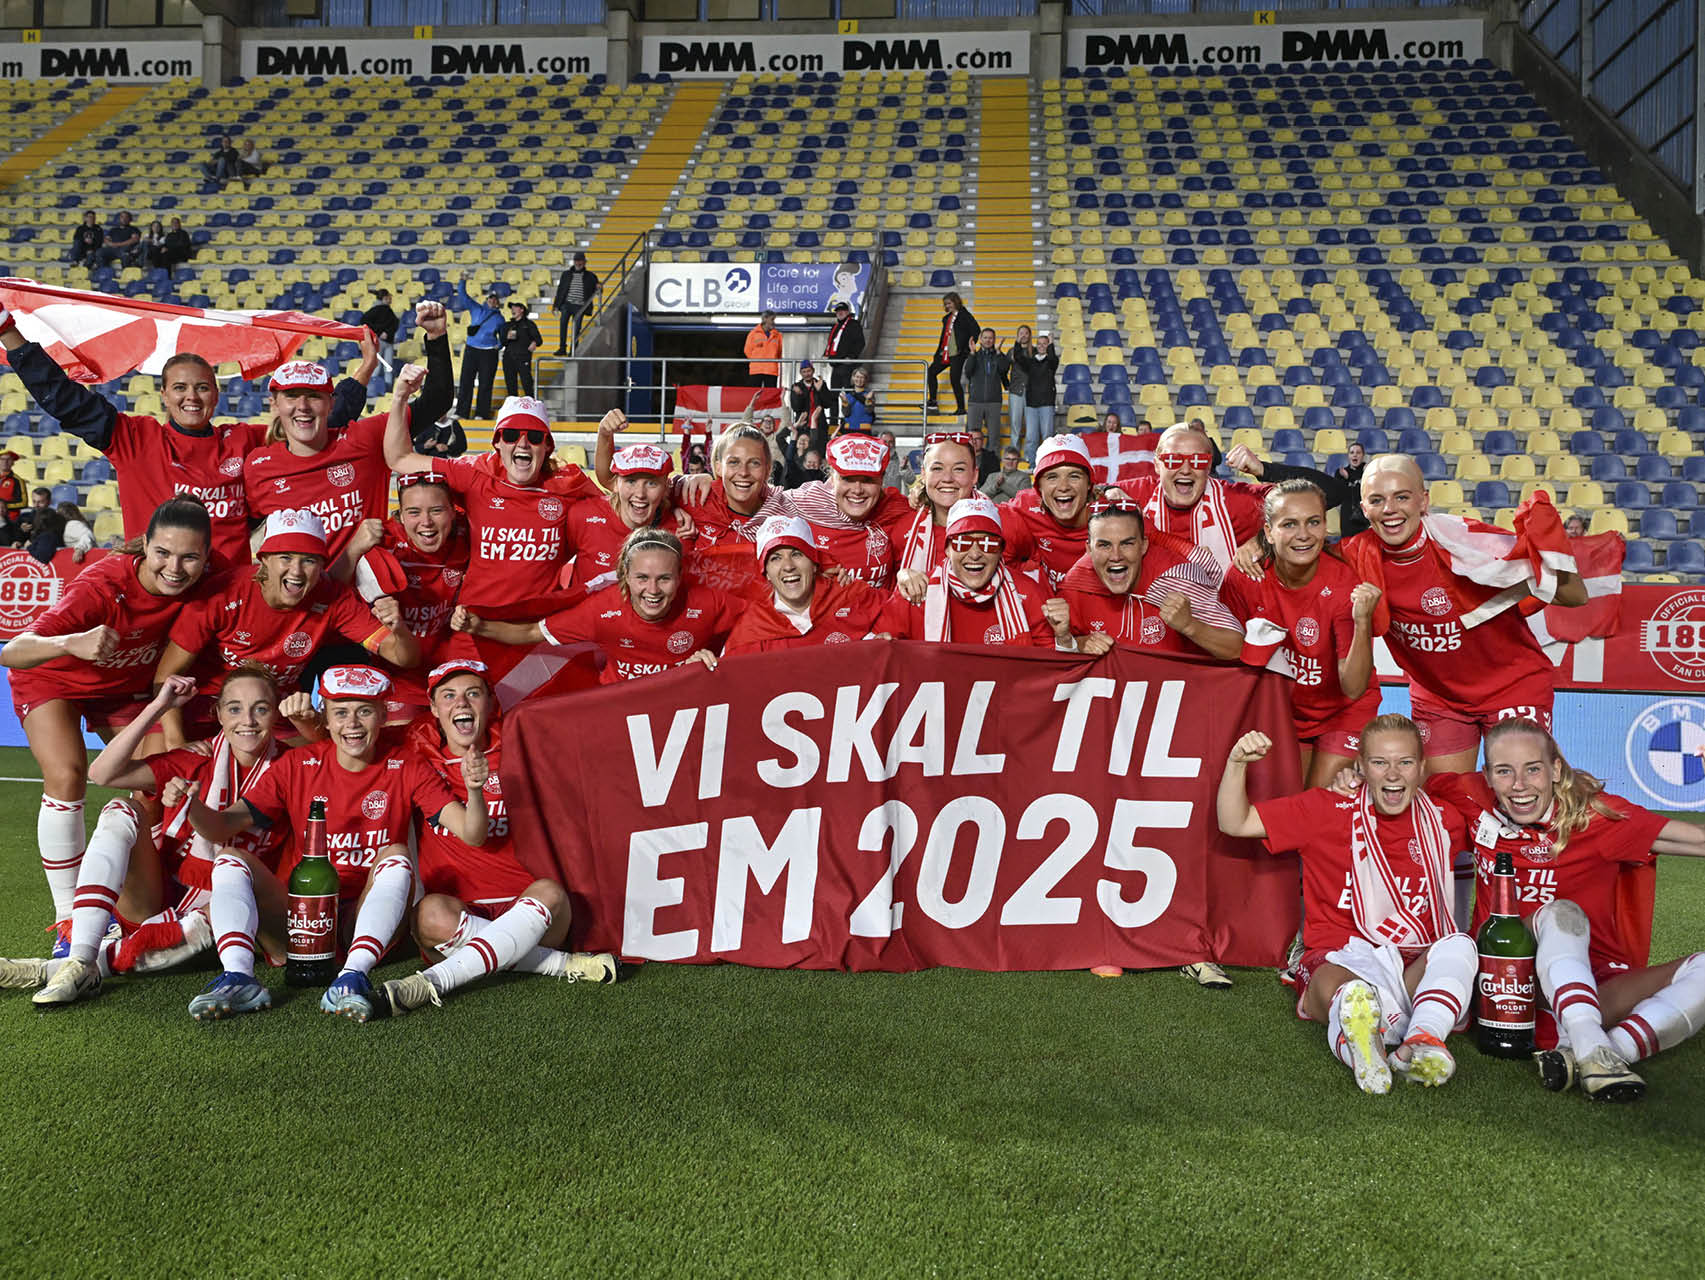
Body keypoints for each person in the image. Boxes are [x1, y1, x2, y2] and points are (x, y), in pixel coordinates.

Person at [178, 664, 487, 1022]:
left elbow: (472, 832)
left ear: (384, 715)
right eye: (341, 713)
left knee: (397, 855)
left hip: (366, 920)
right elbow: (221, 827)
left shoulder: (406, 765)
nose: (352, 724)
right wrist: (193, 808)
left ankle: (353, 976)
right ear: (325, 717)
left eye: (365, 711)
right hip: (300, 925)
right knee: (231, 858)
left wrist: (475, 792)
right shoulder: (297, 764)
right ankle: (239, 976)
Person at [1420, 718, 1705, 1100]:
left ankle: (1604, 1052)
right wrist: (1354, 774)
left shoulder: (1597, 818)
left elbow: (1696, 840)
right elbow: (1401, 777)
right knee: (1558, 911)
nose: (1519, 785)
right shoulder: (1470, 797)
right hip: (1506, 992)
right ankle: (1592, 1044)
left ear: (1555, 769)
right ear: (1486, 775)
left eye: (1533, 769)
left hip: (1594, 988)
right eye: (1504, 771)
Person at [0, 299, 397, 568]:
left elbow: (315, 421)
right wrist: (8, 333)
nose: (192, 397)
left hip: (229, 596)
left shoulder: (244, 442)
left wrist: (362, 373)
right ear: (164, 395)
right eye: (180, 388)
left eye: (202, 387)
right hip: (158, 586)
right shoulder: (134, 438)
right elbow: (65, 400)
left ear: (216, 394)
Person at [23, 668, 317, 1007]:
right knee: (120, 810)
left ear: (276, 711)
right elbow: (101, 773)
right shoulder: (198, 756)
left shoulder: (295, 763)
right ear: (218, 713)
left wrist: (308, 724)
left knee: (207, 912)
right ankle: (80, 956)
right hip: (161, 894)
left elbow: (220, 827)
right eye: (234, 708)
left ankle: (62, 969)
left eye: (261, 708)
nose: (247, 720)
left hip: (233, 902)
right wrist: (158, 707)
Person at [1216, 715, 1478, 1094]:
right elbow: (1235, 822)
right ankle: (1362, 1046)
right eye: (1379, 763)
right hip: (1340, 957)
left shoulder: (1444, 819)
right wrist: (1236, 763)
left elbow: (1506, 808)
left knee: (1459, 946)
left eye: (1404, 762)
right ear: (1360, 767)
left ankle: (1422, 1040)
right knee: (1347, 990)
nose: (1393, 774)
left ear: (1422, 769)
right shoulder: (1325, 808)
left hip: (1413, 963)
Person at [1, 496, 214, 951]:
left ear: (206, 557)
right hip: (56, 677)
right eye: (163, 553)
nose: (174, 567)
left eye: (189, 556)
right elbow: (11, 650)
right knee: (67, 774)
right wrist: (73, 642)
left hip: (123, 687)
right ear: (147, 547)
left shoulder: (207, 582)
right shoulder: (101, 586)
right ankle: (68, 921)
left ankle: (145, 905)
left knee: (163, 776)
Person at [377, 660, 617, 1016]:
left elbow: (602, 728)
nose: (461, 703)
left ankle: (433, 982)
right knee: (427, 914)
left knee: (550, 891)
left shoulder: (524, 746)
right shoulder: (418, 758)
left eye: (473, 694)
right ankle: (560, 964)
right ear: (433, 708)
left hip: (531, 905)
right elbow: (353, 736)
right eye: (449, 695)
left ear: (490, 703)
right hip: (459, 913)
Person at [1337, 454, 1587, 777]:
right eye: (1377, 500)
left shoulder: (1466, 542)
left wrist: (1550, 548)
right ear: (1364, 508)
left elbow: (1576, 596)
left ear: (1423, 501)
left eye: (1402, 497)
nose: (1389, 509)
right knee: (1447, 803)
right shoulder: (1355, 557)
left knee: (1522, 793)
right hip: (1439, 699)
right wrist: (1252, 546)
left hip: (1512, 686)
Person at [153, 509, 420, 743]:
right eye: (286, 557)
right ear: (265, 559)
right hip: (204, 706)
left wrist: (399, 629)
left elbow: (402, 656)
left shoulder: (333, 597)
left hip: (275, 710)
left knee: (323, 761)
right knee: (156, 770)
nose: (296, 570)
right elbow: (166, 677)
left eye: (309, 560)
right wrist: (176, 743)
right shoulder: (224, 592)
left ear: (321, 566)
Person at [244, 305, 453, 562]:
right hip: (297, 597)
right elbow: (233, 534)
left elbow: (437, 400)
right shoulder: (257, 467)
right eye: (291, 397)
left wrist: (436, 337)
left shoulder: (365, 439)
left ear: (331, 403)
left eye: (314, 397)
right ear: (274, 404)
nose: (303, 407)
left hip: (363, 599)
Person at [1219, 481, 1383, 790]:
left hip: (1343, 712)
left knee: (1315, 805)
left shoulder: (1343, 585)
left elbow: (1353, 688)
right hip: (1283, 712)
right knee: (1283, 803)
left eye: (1313, 522)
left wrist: (1363, 622)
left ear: (1325, 525)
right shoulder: (1245, 576)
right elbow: (1226, 653)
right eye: (1289, 524)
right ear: (1267, 532)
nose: (1304, 534)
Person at [452, 527, 744, 684]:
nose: (652, 591)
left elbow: (759, 623)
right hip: (617, 712)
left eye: (664, 578)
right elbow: (530, 634)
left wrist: (723, 658)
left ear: (680, 577)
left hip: (682, 710)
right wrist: (478, 626)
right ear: (625, 576)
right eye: (642, 578)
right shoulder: (602, 610)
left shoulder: (707, 603)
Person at [342, 471, 472, 722]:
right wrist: (354, 548)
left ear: (453, 512)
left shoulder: (467, 536)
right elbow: (330, 591)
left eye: (436, 511)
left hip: (449, 672)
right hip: (394, 677)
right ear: (400, 515)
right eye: (413, 512)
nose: (426, 522)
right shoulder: (379, 543)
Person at [1056, 504, 1244, 664]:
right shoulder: (1076, 584)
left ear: (1143, 546)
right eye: (1104, 545)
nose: (1115, 556)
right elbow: (1051, 661)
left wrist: (1190, 626)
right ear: (1088, 549)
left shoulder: (1177, 578)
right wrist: (1078, 644)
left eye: (1127, 544)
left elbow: (1238, 648)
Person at [880, 497, 1058, 647]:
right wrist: (881, 645)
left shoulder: (1028, 592)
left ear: (1001, 550)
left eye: (988, 544)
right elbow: (877, 648)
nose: (974, 554)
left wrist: (1065, 639)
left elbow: (1051, 665)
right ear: (948, 549)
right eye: (962, 543)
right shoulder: (916, 591)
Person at [723, 517, 893, 654]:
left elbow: (904, 614)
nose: (788, 566)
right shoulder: (750, 630)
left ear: (814, 564)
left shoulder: (852, 597)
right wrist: (702, 665)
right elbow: (727, 684)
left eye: (797, 554)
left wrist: (907, 578)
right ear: (766, 573)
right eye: (775, 558)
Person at [1123, 422, 1266, 578]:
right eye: (1173, 460)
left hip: (1220, 600)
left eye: (1198, 461)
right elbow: (1093, 489)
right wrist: (1108, 491)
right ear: (1157, 465)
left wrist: (1261, 540)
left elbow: (1294, 500)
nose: (1185, 470)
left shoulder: (1231, 500)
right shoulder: (1140, 492)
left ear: (1209, 466)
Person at [560, 442, 692, 594]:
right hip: (586, 616)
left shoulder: (682, 530)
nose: (640, 494)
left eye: (651, 483)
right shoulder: (583, 515)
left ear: (666, 488)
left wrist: (700, 478)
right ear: (615, 483)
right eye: (631, 481)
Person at [780, 433, 900, 589]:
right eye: (847, 479)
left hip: (880, 610)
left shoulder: (893, 507)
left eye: (868, 480)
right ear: (832, 477)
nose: (857, 490)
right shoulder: (802, 502)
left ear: (882, 480)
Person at [998, 435, 1096, 592]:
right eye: (1052, 477)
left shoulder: (1113, 514)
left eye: (1074, 476)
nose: (1063, 486)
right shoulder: (1025, 506)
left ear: (1089, 483)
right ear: (1039, 487)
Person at [455, 283, 505, 419]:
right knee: (466, 382)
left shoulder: (500, 318)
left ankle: (481, 413)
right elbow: (463, 296)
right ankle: (461, 412)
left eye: (495, 299)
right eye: (491, 298)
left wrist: (499, 345)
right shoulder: (476, 308)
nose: (493, 301)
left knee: (485, 384)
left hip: (488, 352)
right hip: (471, 350)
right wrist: (462, 281)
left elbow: (504, 335)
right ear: (486, 299)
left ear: (497, 303)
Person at [926, 291, 979, 416]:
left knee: (954, 380)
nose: (947, 306)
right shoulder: (946, 319)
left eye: (949, 303)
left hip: (958, 354)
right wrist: (937, 352)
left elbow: (976, 330)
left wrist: (968, 347)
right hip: (944, 353)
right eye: (946, 304)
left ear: (956, 302)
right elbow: (943, 337)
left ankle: (961, 408)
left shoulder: (965, 315)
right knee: (930, 372)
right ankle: (933, 400)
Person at [1012, 331, 1058, 465]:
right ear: (1036, 346)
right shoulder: (1031, 362)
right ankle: (1032, 464)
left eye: (1045, 344)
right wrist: (1018, 342)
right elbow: (1018, 357)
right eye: (1040, 344)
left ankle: (1048, 463)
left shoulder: (1051, 362)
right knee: (1031, 437)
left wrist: (1051, 345)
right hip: (1031, 404)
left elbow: (1052, 359)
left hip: (1047, 404)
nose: (1042, 346)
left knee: (1047, 437)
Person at [963, 329, 1009, 442]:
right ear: (980, 339)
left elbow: (1004, 369)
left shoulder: (998, 355)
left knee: (994, 437)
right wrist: (972, 353)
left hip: (994, 401)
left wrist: (998, 352)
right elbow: (968, 371)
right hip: (975, 401)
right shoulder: (974, 355)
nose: (988, 340)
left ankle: (992, 459)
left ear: (994, 340)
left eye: (991, 338)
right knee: (972, 437)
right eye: (985, 337)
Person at [552, 250, 599, 355]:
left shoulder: (591, 276)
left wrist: (599, 287)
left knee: (577, 328)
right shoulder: (566, 274)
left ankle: (574, 350)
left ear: (585, 262)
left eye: (580, 261)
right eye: (577, 261)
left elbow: (598, 289)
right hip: (567, 304)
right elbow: (560, 290)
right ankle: (562, 348)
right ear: (574, 262)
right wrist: (556, 306)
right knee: (563, 324)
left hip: (580, 306)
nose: (578, 263)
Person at [787, 359, 836, 452]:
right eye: (804, 372)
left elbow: (828, 404)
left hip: (819, 426)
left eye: (809, 371)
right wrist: (800, 394)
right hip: (803, 426)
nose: (807, 374)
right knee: (802, 453)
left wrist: (820, 390)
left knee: (819, 452)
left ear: (813, 371)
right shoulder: (797, 386)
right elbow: (796, 408)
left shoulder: (821, 384)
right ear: (801, 373)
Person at [500, 301, 543, 399]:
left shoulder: (529, 324)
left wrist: (534, 343)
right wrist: (507, 337)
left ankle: (530, 405)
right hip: (508, 358)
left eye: (515, 307)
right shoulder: (507, 325)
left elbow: (539, 340)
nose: (513, 310)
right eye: (512, 308)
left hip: (523, 358)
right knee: (510, 384)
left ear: (522, 309)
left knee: (527, 383)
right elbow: (502, 342)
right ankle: (513, 408)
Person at [821, 301, 865, 391]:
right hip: (835, 365)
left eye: (843, 310)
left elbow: (860, 342)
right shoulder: (835, 327)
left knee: (849, 393)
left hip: (847, 366)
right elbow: (831, 343)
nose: (840, 313)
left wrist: (851, 357)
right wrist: (825, 355)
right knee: (833, 394)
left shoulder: (854, 324)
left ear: (848, 312)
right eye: (838, 311)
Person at [1006, 326, 1033, 454]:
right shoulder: (1011, 351)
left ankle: (1028, 454)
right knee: (1015, 424)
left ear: (1029, 336)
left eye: (1026, 333)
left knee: (1030, 425)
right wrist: (1008, 385)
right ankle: (1014, 452)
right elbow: (1003, 369)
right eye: (1021, 333)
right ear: (1017, 335)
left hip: (1031, 392)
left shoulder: (1034, 351)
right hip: (1016, 391)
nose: (1023, 335)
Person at [361, 289, 399, 368]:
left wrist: (384, 333)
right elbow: (365, 322)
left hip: (387, 341)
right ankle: (377, 380)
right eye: (389, 297)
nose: (390, 299)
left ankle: (378, 380)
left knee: (383, 365)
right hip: (379, 341)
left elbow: (394, 324)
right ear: (385, 298)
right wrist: (380, 333)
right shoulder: (377, 310)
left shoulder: (387, 310)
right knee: (380, 365)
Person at [744, 311, 782, 388]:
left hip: (771, 370)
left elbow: (779, 352)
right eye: (772, 319)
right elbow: (747, 351)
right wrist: (757, 361)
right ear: (765, 319)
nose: (774, 322)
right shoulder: (753, 334)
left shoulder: (778, 335)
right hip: (756, 370)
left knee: (770, 395)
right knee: (754, 393)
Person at [840, 367, 878, 434]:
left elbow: (869, 411)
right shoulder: (847, 396)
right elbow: (846, 413)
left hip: (864, 429)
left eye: (862, 377)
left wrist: (868, 400)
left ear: (866, 379)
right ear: (853, 378)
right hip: (849, 428)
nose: (859, 380)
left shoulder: (869, 394)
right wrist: (845, 403)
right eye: (857, 377)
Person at [0, 450, 25, 524]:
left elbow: (23, 502)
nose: (5, 462)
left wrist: (3, 507)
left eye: (8, 459)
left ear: (13, 462)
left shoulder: (17, 480)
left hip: (10, 519)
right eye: (2, 459)